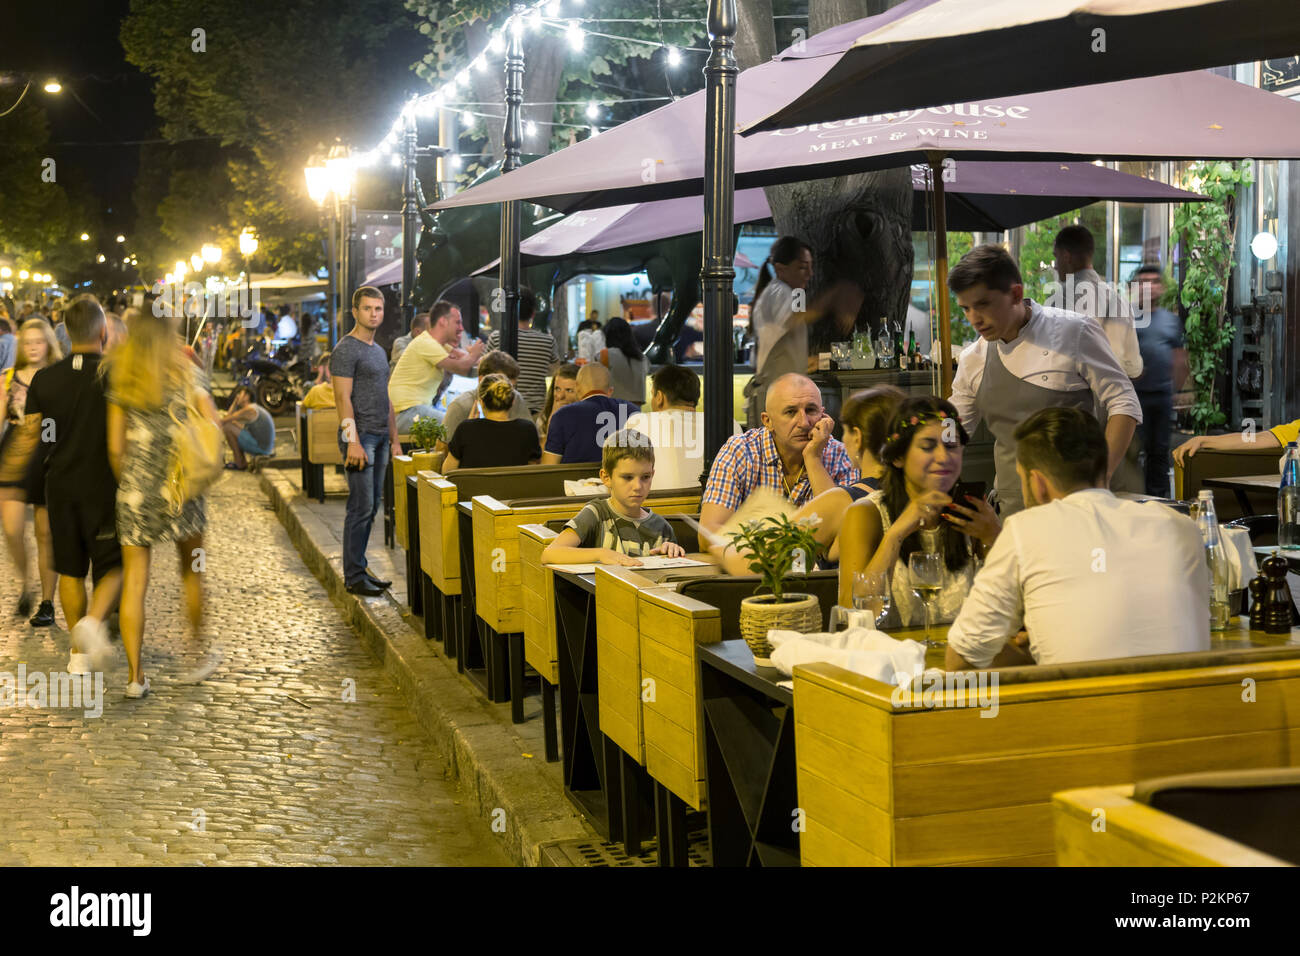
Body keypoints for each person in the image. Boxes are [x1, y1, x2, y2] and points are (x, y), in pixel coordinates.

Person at [946, 406, 1209, 670]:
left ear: (1037, 483)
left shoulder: (1024, 530)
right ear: (1104, 465)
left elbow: (960, 660)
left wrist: (1034, 656)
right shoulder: (1180, 527)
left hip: (1082, 708)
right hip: (1190, 704)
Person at [947, 244, 1142, 518]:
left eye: (982, 304)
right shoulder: (973, 358)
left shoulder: (1075, 332)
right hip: (1009, 511)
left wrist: (1101, 477)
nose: (973, 319)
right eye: (965, 308)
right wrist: (928, 433)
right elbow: (952, 430)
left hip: (1075, 506)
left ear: (1016, 293)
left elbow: (1125, 404)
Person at [106, 310, 224, 696]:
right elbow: (212, 426)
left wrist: (131, 482)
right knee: (193, 571)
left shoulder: (121, 376)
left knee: (136, 582)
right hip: (181, 491)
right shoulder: (186, 372)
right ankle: (194, 654)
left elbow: (114, 447)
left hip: (136, 493)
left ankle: (135, 677)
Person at [21, 298, 121, 676]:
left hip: (59, 486)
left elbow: (37, 434)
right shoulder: (114, 376)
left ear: (65, 331)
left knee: (71, 571)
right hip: (105, 487)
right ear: (103, 332)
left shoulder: (44, 379)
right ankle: (94, 624)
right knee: (113, 566)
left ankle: (78, 655)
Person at [714, 385, 906, 576]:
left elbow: (761, 562)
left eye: (845, 430)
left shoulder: (842, 500)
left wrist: (719, 548)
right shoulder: (913, 492)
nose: (804, 423)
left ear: (857, 438)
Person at [836, 396, 996, 620]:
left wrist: (996, 538)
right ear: (899, 457)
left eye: (951, 446)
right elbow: (850, 614)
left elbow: (1008, 606)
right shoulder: (865, 513)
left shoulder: (971, 511)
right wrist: (896, 534)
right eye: (928, 446)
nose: (943, 457)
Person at [700, 372, 859, 537]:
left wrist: (813, 459)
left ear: (823, 415)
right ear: (767, 421)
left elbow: (844, 535)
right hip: (754, 561)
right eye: (791, 412)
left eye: (811, 410)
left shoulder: (842, 456)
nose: (804, 423)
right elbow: (709, 533)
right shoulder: (740, 451)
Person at [1053, 225, 1144, 494]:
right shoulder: (1118, 300)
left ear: (1067, 256)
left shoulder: (1059, 302)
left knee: (1075, 492)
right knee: (1114, 493)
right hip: (1121, 411)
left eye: (1056, 258)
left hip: (1076, 409)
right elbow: (1134, 368)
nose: (1056, 266)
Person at [331, 287, 402, 597]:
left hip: (381, 438)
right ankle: (354, 576)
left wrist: (395, 439)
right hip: (360, 439)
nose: (374, 314)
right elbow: (341, 399)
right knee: (360, 507)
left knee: (372, 506)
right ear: (355, 311)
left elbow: (386, 399)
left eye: (379, 309)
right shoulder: (346, 349)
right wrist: (353, 442)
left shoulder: (378, 350)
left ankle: (360, 568)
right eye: (368, 308)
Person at [743, 236, 856, 428]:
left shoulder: (790, 293)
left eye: (811, 267)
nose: (810, 274)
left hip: (782, 394)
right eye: (803, 267)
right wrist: (836, 295)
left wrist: (809, 361)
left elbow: (790, 330)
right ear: (780, 269)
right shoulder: (780, 291)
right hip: (775, 396)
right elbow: (796, 319)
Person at [540, 429, 685, 567]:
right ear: (606, 477)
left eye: (645, 477)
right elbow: (550, 553)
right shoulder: (595, 513)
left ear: (652, 475)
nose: (638, 486)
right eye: (627, 477)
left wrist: (670, 552)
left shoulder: (662, 527)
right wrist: (600, 554)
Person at [0, 318, 62, 625]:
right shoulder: (7, 378)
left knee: (45, 533)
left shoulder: (59, 377)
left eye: (39, 341)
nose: (33, 347)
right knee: (11, 530)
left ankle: (47, 602)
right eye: (27, 342)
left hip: (47, 455)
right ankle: (26, 584)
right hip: (12, 456)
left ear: (49, 343)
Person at [625, 365, 740, 490]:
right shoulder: (728, 423)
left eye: (653, 395)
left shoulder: (637, 423)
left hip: (657, 505)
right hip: (719, 505)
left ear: (659, 397)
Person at [1130, 264, 1188, 497]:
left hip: (1162, 396)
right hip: (1132, 396)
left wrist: (1180, 390)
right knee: (1132, 452)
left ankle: (1159, 500)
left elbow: (1179, 356)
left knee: (1159, 452)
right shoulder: (1126, 317)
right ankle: (1134, 498)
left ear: (1161, 287)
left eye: (1154, 282)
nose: (1149, 287)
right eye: (1144, 282)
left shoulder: (1170, 321)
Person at [388, 300, 485, 434]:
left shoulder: (438, 344)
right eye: (457, 322)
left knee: (461, 423)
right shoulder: (426, 343)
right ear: (443, 321)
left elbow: (464, 357)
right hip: (406, 413)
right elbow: (461, 367)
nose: (461, 328)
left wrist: (489, 359)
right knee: (460, 426)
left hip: (415, 410)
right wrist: (474, 354)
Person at [541, 363, 641, 465]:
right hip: (622, 479)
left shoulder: (562, 415)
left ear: (577, 388)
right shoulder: (634, 412)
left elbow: (548, 469)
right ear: (610, 391)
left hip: (575, 479)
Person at [439, 349, 533, 454]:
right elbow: (442, 450)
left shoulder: (516, 397)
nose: (508, 394)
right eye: (500, 387)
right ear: (481, 379)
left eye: (511, 387)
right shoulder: (461, 406)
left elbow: (530, 444)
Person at [485, 287, 561, 415]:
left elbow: (483, 371)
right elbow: (556, 372)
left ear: (509, 311)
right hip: (535, 413)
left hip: (501, 409)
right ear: (533, 313)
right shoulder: (548, 341)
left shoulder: (497, 337)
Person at [443, 374, 542, 471]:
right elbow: (532, 470)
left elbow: (447, 472)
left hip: (473, 487)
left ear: (481, 402)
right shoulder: (528, 429)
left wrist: (469, 426)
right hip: (515, 487)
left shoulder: (465, 429)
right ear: (512, 402)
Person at [220, 385, 276, 470]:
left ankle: (240, 463)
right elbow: (232, 421)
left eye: (240, 394)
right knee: (232, 425)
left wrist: (235, 402)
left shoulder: (250, 410)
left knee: (228, 428)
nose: (237, 396)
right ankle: (241, 462)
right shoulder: (253, 408)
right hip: (264, 447)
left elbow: (226, 419)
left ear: (247, 396)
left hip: (262, 448)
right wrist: (235, 401)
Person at [598, 315, 649, 408]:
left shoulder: (605, 355)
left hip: (612, 409)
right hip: (635, 410)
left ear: (607, 336)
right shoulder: (643, 358)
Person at [539, 362, 581, 441]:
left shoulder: (590, 419)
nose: (560, 396)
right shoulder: (544, 418)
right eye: (557, 389)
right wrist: (551, 424)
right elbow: (543, 452)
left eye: (569, 390)